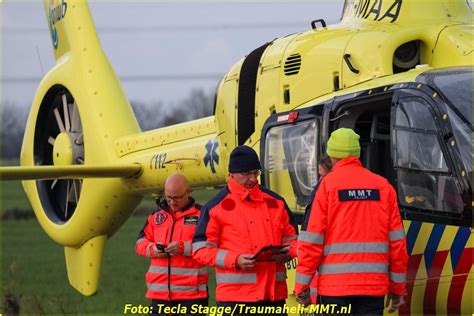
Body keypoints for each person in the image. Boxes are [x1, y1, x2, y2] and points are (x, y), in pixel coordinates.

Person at [295, 128, 408, 315]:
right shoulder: (382, 187)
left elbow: (311, 243)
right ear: (357, 154)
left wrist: (302, 287)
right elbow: (397, 245)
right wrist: (397, 288)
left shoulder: (327, 187)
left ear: (331, 155)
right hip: (373, 288)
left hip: (334, 289)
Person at [192, 145, 299, 315]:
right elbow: (200, 250)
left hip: (274, 297)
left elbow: (292, 238)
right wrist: (234, 260)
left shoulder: (276, 202)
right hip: (235, 301)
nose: (252, 179)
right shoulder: (215, 208)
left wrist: (288, 253)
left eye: (255, 173)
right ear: (231, 174)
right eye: (246, 174)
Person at [135, 174, 208, 316]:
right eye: (168, 197)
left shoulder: (202, 215)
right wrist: (153, 249)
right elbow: (140, 243)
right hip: (159, 296)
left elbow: (210, 246)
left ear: (188, 191)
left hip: (192, 297)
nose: (172, 202)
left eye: (177, 198)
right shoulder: (155, 216)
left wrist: (183, 248)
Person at [301, 155, 333, 304]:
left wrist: (302, 288)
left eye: (323, 176)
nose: (320, 182)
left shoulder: (323, 197)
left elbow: (310, 244)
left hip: (333, 285)